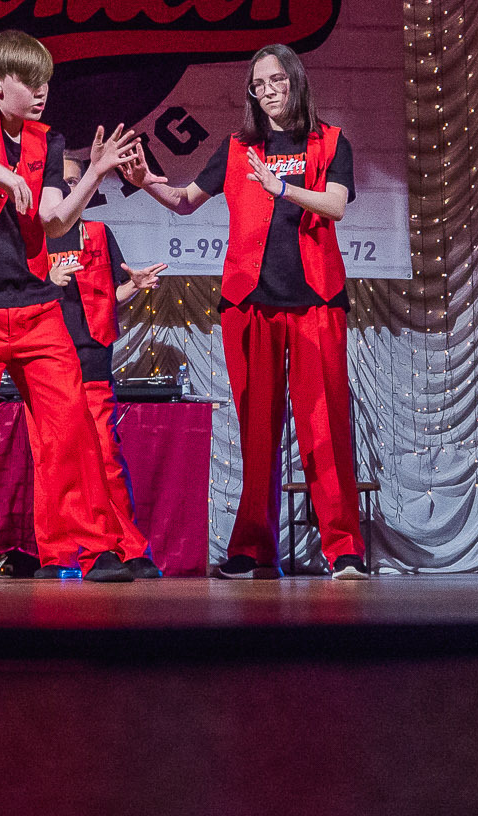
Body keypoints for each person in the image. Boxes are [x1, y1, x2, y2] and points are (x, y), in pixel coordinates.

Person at [120, 44, 369, 580]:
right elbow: (186, 200)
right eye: (259, 84)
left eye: (277, 79)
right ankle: (253, 550)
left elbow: (336, 205)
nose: (269, 90)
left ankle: (344, 548)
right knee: (256, 432)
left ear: (295, 80)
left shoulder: (330, 142)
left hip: (315, 302)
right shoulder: (237, 148)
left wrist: (282, 188)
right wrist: (148, 183)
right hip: (250, 303)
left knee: (323, 427)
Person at [0, 29, 143, 584]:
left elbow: (53, 221)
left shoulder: (47, 141)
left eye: (46, 82)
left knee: (71, 430)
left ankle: (93, 548)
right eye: (30, 81)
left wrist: (94, 173)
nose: (42, 92)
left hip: (37, 308)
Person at [40, 169, 167, 578]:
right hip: (45, 362)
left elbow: (108, 296)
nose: (69, 186)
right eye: (60, 180)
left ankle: (128, 548)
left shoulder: (96, 233)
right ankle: (58, 555)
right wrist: (45, 281)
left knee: (105, 458)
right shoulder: (31, 237)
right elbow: (11, 295)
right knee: (53, 461)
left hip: (93, 358)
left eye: (75, 179)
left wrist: (135, 286)